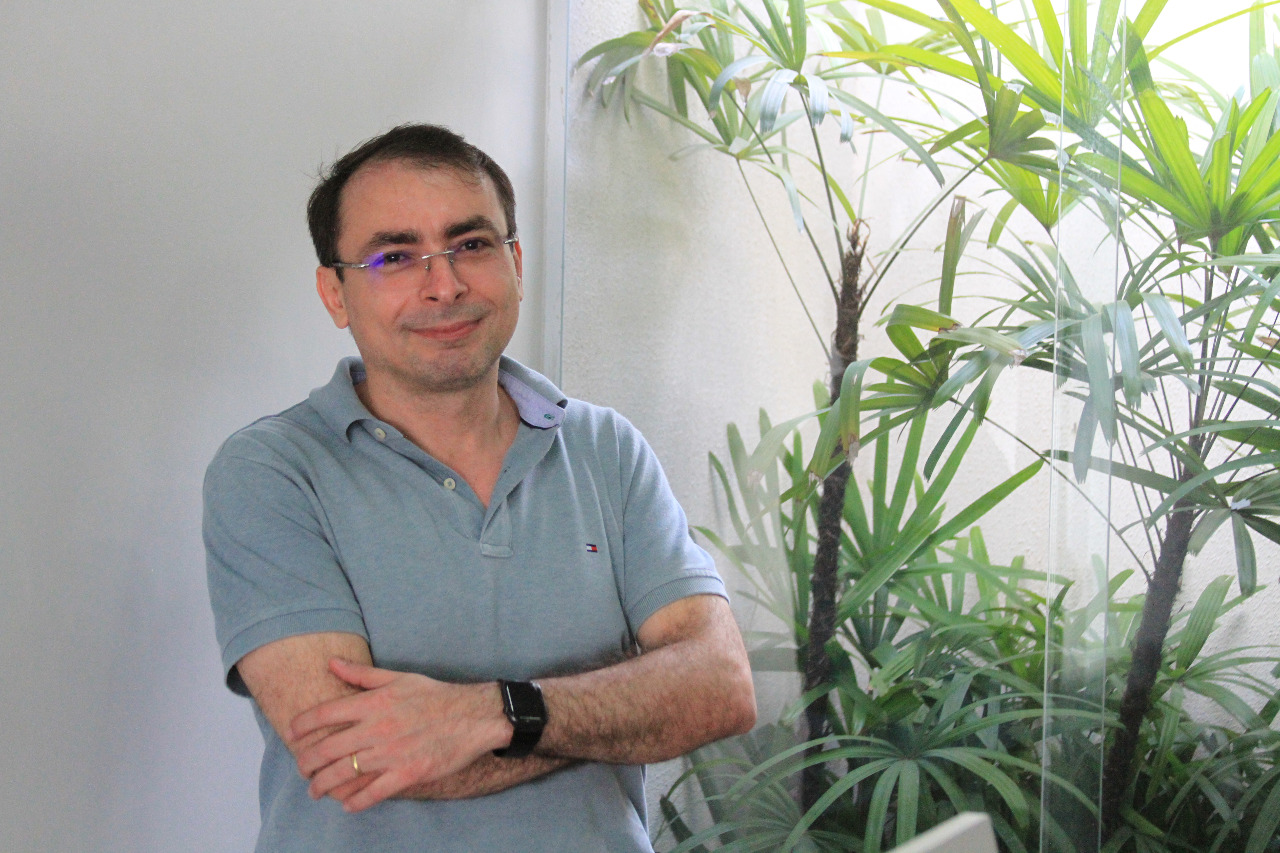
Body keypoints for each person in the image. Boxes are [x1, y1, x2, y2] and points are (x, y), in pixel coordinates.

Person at [203, 124, 756, 852]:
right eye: (394, 257)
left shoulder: (605, 448)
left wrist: (494, 713)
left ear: (516, 264)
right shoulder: (272, 471)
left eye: (471, 244)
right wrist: (625, 704)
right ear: (335, 293)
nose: (445, 284)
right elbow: (357, 755)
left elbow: (719, 688)